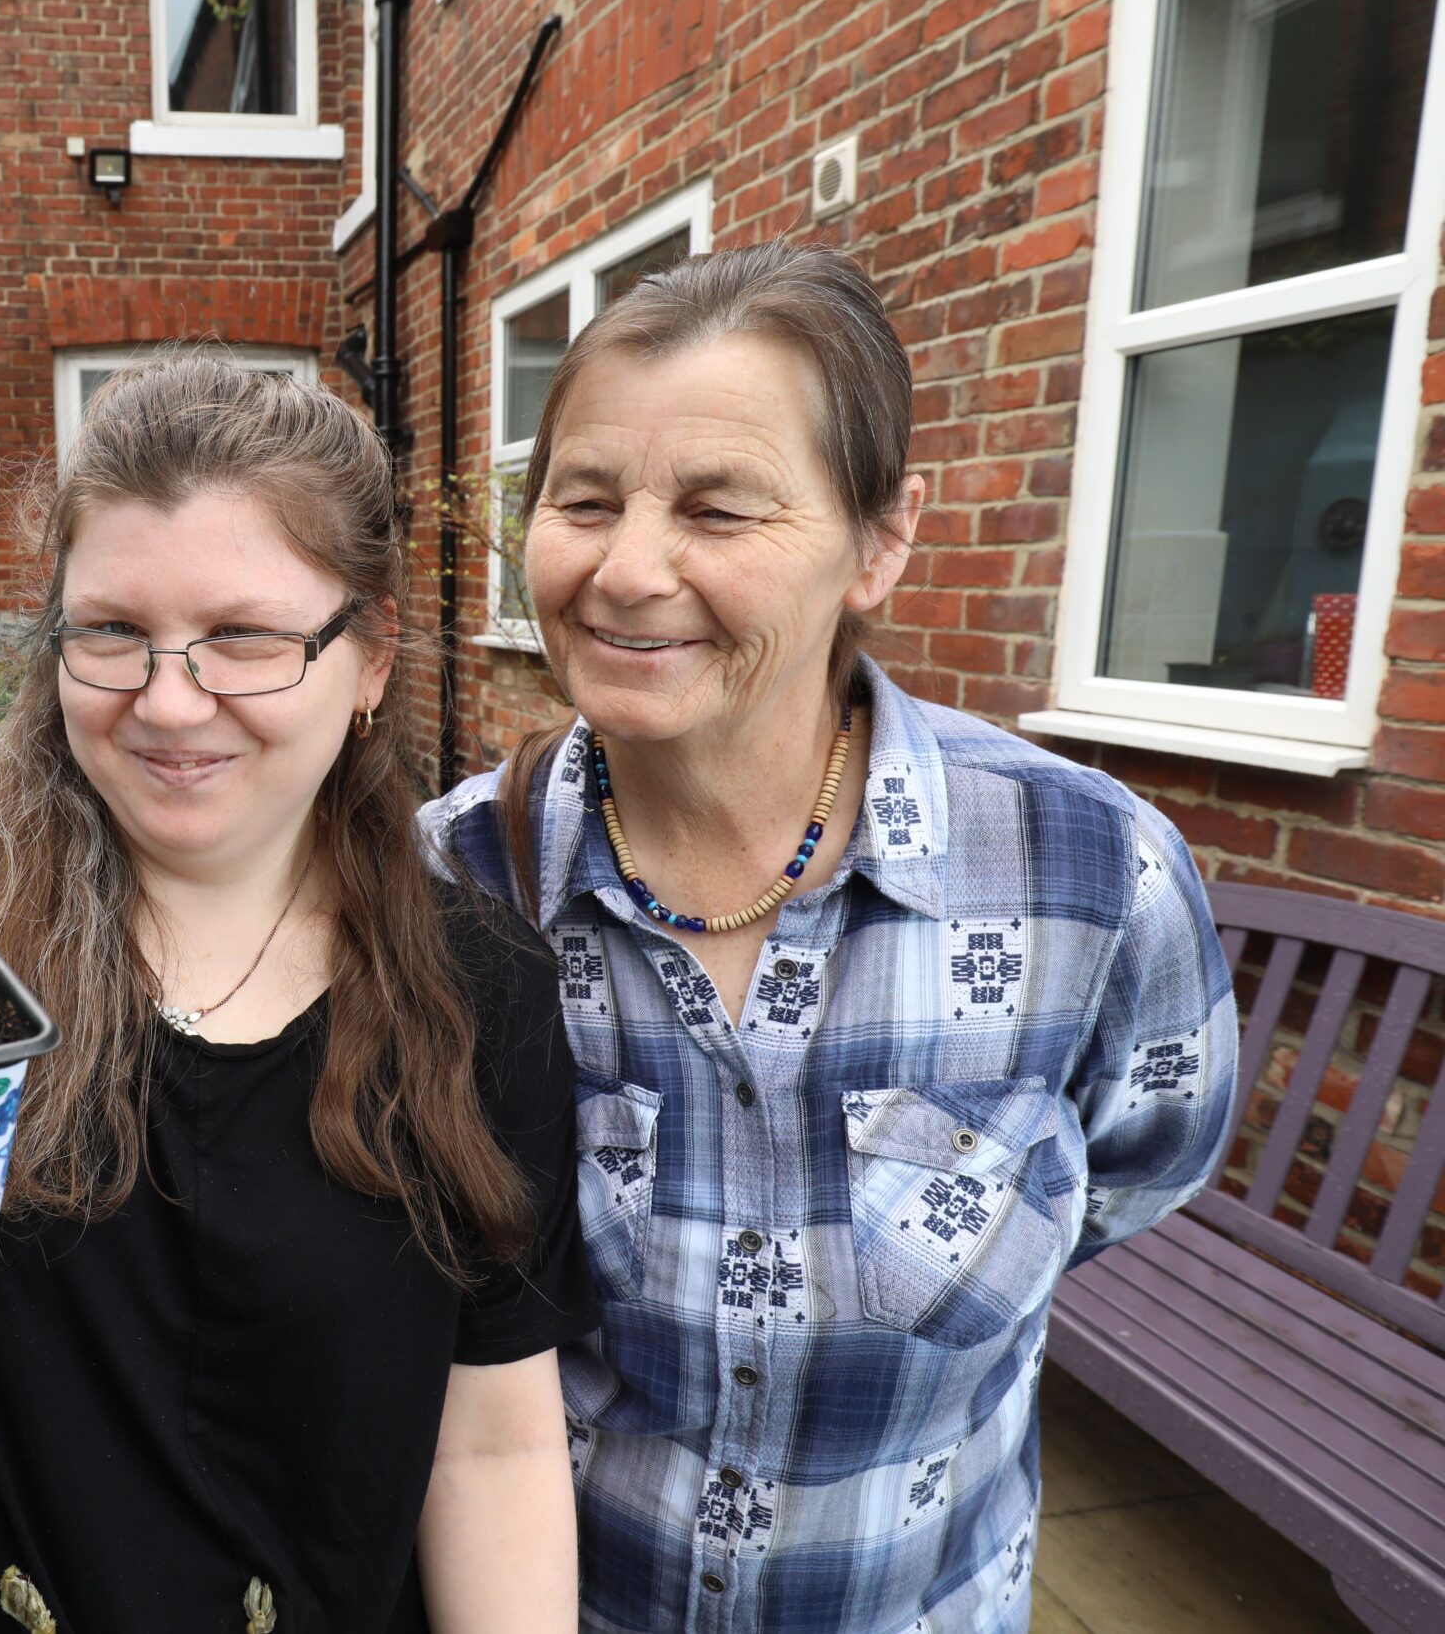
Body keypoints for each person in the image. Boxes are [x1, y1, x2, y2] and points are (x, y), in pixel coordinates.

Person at [0, 355, 599, 1632]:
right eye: (113, 632)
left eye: (242, 638)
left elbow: (492, 1448)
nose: (169, 702)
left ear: (368, 658)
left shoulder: (481, 992)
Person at [421, 242, 1239, 1634]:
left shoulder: (1087, 876)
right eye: (584, 498)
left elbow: (1140, 1160)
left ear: (881, 539)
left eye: (719, 509)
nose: (626, 570)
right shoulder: (451, 886)